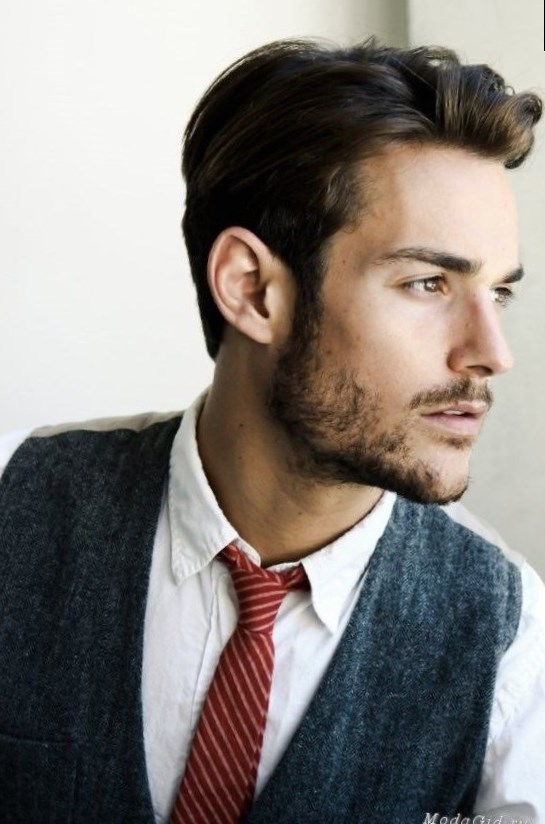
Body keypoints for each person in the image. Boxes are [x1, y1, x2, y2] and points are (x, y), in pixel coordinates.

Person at [0, 38, 544, 824]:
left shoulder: (510, 637)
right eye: (428, 283)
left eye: (498, 293)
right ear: (252, 290)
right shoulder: (16, 502)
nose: (490, 353)